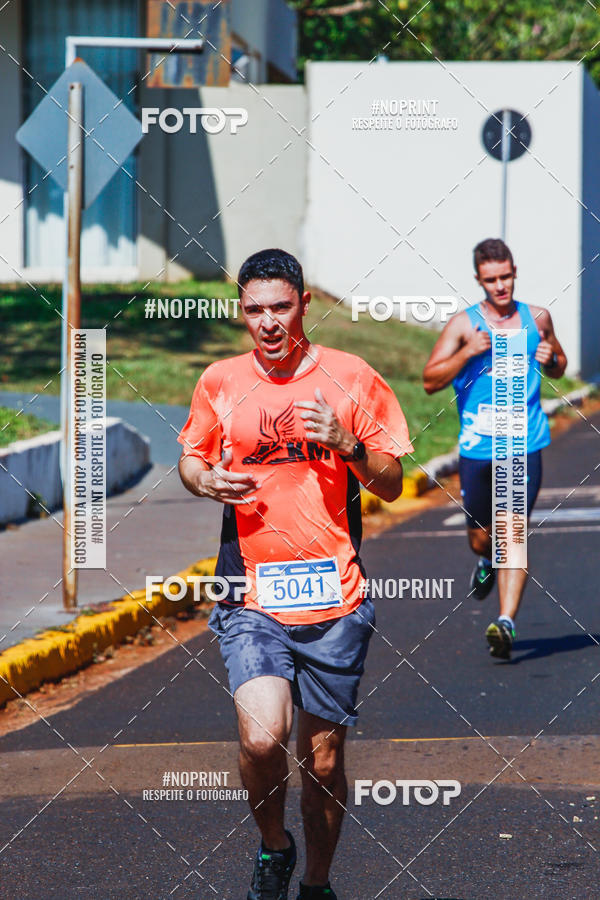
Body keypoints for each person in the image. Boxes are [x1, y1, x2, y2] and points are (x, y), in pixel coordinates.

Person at [177, 248, 413, 900]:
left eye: (281, 307)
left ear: (305, 304)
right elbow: (191, 458)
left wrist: (347, 444)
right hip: (250, 592)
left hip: (335, 597)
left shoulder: (352, 376)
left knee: (323, 760)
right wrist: (204, 481)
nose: (269, 322)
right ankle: (275, 846)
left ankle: (316, 882)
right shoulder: (221, 380)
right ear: (241, 311)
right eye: (255, 310)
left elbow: (392, 483)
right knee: (261, 740)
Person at [423, 238, 567, 660]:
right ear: (479, 280)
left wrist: (551, 358)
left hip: (524, 443)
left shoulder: (537, 318)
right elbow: (430, 381)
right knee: (481, 540)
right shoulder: (464, 326)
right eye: (491, 280)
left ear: (515, 272)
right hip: (477, 449)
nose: (500, 286)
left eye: (505, 277)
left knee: (512, 534)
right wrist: (468, 352)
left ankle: (505, 622)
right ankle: (486, 563)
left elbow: (558, 363)